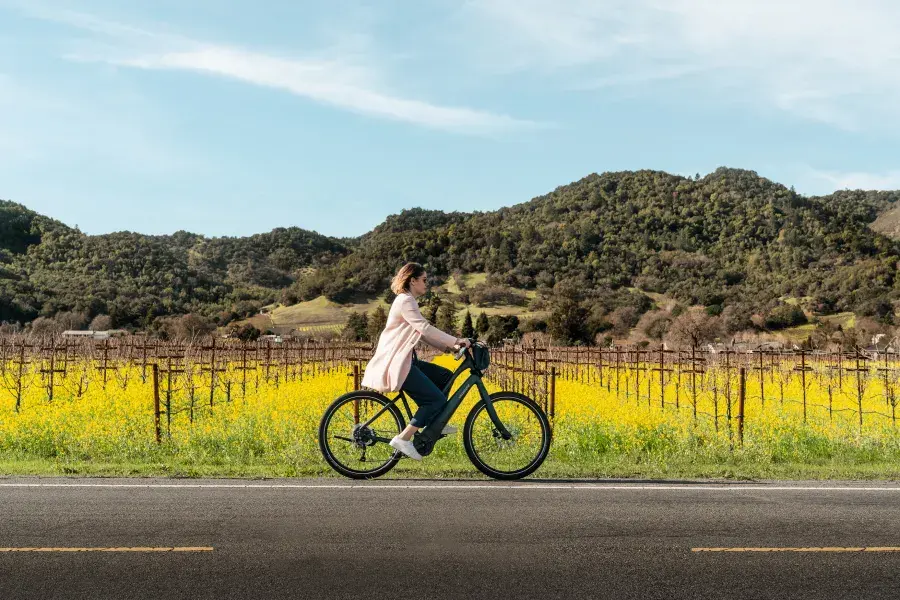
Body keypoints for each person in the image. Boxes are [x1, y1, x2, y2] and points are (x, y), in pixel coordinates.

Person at [360, 262, 471, 461]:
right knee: (435, 399)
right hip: (398, 362)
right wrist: (456, 340)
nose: (426, 284)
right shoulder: (405, 300)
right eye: (424, 280)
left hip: (407, 360)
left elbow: (422, 334)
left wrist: (449, 348)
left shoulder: (407, 300)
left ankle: (433, 422)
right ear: (413, 280)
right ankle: (403, 439)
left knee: (445, 377)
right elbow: (425, 328)